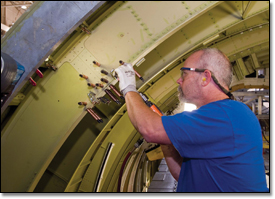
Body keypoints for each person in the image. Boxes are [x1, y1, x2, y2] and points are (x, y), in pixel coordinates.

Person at [114, 48, 269, 192]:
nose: (179, 81)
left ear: (205, 78)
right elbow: (183, 175)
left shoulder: (223, 115)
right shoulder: (227, 114)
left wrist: (128, 89)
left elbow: (149, 129)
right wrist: (166, 138)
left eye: (184, 74)